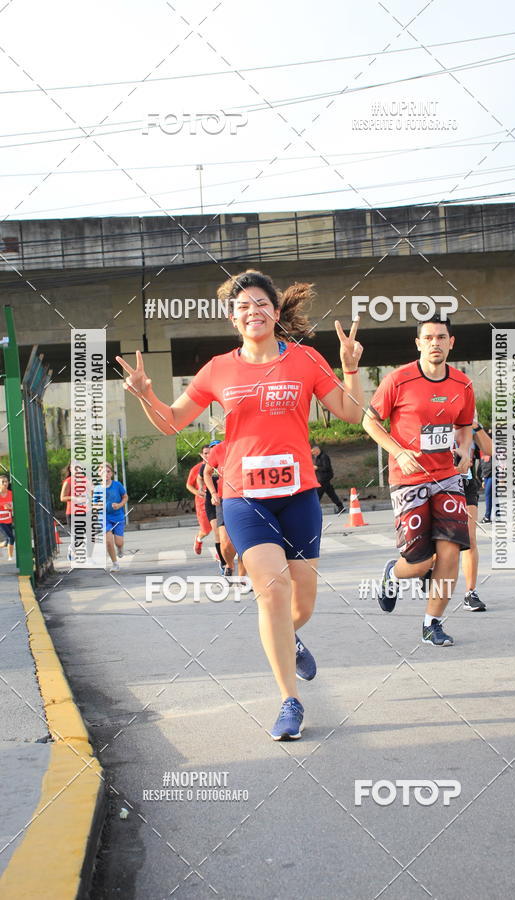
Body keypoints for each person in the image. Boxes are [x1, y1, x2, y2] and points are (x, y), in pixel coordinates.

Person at [117, 269, 363, 741]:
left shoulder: (307, 360)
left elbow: (351, 413)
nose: (253, 312)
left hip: (298, 495)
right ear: (234, 318)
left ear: (275, 311)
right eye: (243, 306)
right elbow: (171, 423)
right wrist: (147, 394)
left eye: (260, 303)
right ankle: (289, 701)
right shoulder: (217, 369)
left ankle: (290, 639)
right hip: (244, 496)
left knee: (301, 601)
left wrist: (350, 367)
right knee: (272, 590)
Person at [362, 313, 474, 647]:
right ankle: (392, 575)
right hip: (408, 479)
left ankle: (432, 623)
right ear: (418, 343)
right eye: (428, 338)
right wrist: (398, 451)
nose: (435, 343)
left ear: (450, 343)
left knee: (451, 552)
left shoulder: (463, 384)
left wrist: (465, 450)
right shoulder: (398, 380)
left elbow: (465, 426)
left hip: (447, 477)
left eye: (441, 337)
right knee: (420, 561)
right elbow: (370, 422)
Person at [459, 410, 493, 612]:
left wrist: (476, 427)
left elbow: (489, 449)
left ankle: (470, 593)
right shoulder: (436, 418)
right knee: (439, 542)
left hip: (466, 482)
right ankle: (425, 571)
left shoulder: (470, 426)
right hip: (439, 484)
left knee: (470, 539)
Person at [203, 439, 237, 577]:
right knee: (225, 541)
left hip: (245, 498)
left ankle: (242, 577)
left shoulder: (247, 444)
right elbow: (206, 473)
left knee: (243, 542)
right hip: (224, 500)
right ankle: (228, 563)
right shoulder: (218, 450)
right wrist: (213, 493)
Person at [93, 462, 128, 573]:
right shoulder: (97, 489)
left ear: (111, 473)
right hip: (104, 517)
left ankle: (120, 548)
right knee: (108, 542)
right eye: (103, 472)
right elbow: (94, 504)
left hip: (118, 516)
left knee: (119, 542)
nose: (106, 474)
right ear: (99, 474)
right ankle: (115, 563)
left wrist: (119, 505)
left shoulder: (117, 485)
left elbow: (125, 497)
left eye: (108, 472)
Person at [186, 445, 212, 555]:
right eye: (205, 453)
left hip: (217, 502)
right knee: (206, 530)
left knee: (222, 529)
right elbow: (189, 485)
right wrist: (199, 493)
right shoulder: (196, 469)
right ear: (201, 455)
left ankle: (221, 552)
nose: (208, 455)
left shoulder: (217, 466)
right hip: (202, 504)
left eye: (210, 452)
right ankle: (198, 539)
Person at [311, 444, 344, 514]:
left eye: (313, 452)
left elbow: (327, 467)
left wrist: (317, 468)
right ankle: (340, 506)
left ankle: (313, 511)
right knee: (331, 493)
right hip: (321, 479)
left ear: (317, 450)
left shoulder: (324, 457)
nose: (313, 454)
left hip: (324, 479)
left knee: (317, 496)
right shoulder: (316, 457)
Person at [0, 474, 15, 562]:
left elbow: (15, 505)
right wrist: (3, 506)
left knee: (6, 541)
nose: (5, 483)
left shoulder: (11, 494)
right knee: (11, 538)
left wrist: (10, 507)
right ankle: (10, 558)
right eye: (3, 482)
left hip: (8, 519)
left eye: (6, 481)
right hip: (0, 520)